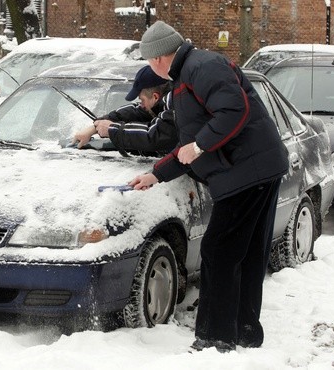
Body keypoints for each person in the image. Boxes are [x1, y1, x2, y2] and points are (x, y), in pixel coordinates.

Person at [128, 21, 289, 352]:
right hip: (253, 167)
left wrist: (200, 146)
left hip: (246, 171)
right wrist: (156, 174)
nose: (149, 67)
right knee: (245, 254)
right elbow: (185, 143)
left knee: (219, 250)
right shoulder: (186, 79)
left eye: (147, 61)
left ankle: (216, 338)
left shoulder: (202, 66)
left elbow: (234, 110)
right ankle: (244, 331)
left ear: (158, 58)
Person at [72, 65, 177, 156]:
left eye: (142, 100)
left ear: (155, 97)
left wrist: (112, 129)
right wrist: (93, 128)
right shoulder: (160, 104)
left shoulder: (177, 107)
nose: (141, 105)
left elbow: (155, 136)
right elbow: (135, 112)